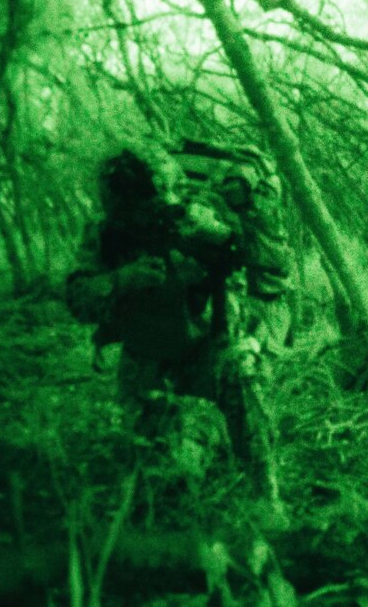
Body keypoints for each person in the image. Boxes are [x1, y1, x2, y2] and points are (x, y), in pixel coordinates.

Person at [65, 142, 292, 502]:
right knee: (157, 477)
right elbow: (78, 300)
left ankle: (265, 494)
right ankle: (195, 447)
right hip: (147, 359)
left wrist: (205, 243)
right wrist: (123, 279)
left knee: (242, 376)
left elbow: (255, 269)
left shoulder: (197, 214)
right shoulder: (106, 233)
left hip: (208, 349)